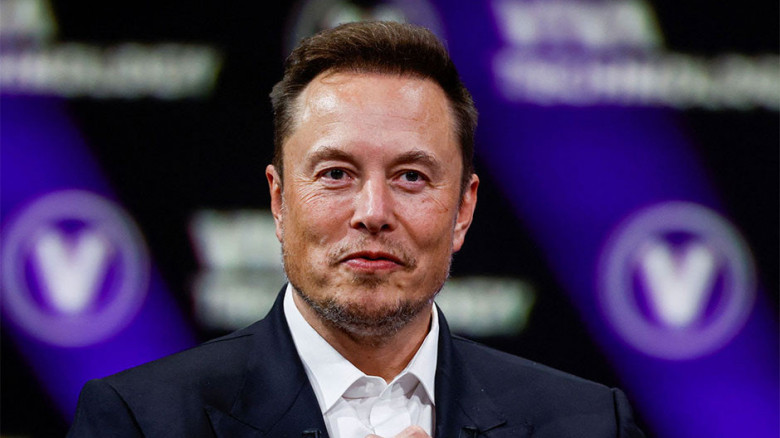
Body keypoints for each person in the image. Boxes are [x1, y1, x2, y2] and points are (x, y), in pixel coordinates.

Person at [68, 21, 644, 438]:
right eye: (336, 173)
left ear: (463, 209)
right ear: (279, 200)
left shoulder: (590, 424)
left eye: (412, 176)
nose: (373, 211)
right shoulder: (140, 420)